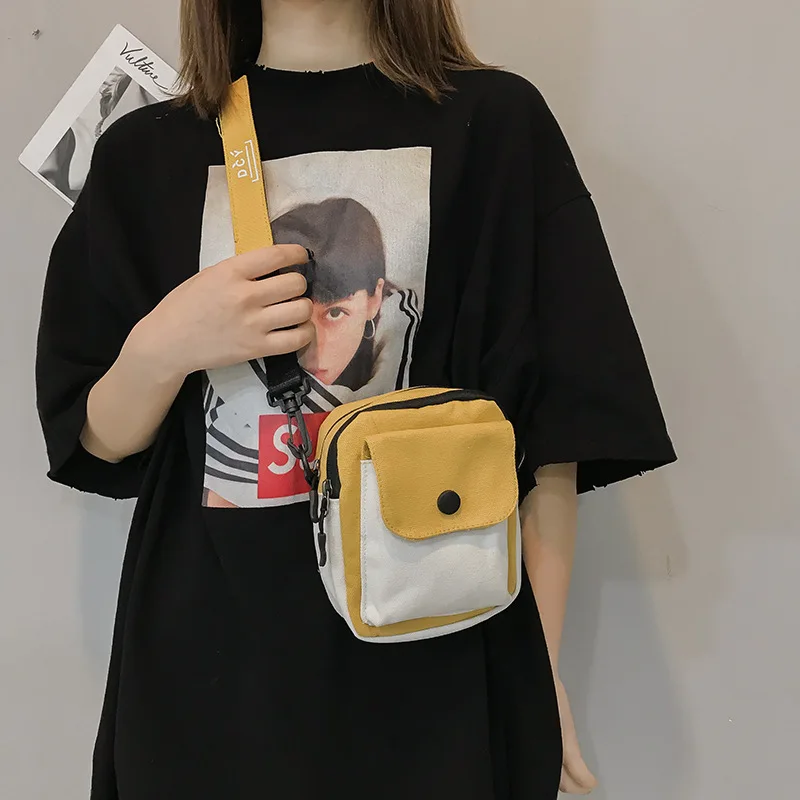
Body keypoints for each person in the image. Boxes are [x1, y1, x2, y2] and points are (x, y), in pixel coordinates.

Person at [35, 0, 676, 798]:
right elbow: (96, 437)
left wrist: (537, 671)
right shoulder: (146, 152)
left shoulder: (497, 124)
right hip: (207, 687)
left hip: (440, 677)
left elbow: (549, 436)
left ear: (375, 301)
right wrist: (164, 345)